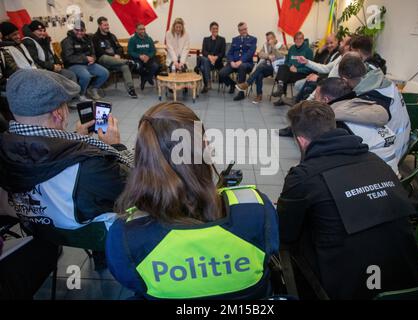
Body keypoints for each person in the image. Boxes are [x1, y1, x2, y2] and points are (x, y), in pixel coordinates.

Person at [106, 102, 279, 300]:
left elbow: (130, 280)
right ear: (204, 148)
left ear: (143, 156)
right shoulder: (258, 210)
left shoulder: (125, 235)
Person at [277, 100, 418, 300]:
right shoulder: (377, 162)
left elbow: (285, 234)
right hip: (409, 283)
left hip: (347, 290)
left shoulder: (303, 176)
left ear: (301, 141)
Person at [0, 69, 131, 251]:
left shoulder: (3, 150)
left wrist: (72, 138)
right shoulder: (90, 163)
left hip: (39, 230)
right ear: (58, 114)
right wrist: (116, 146)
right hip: (92, 234)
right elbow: (135, 188)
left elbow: (39, 154)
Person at [315, 77, 399, 174]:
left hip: (373, 182)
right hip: (395, 178)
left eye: (315, 97)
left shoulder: (338, 124)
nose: (314, 101)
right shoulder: (365, 107)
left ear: (325, 100)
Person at [338, 53, 410, 162]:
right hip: (403, 142)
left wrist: (332, 113)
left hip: (393, 152)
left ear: (344, 79)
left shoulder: (373, 96)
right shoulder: (381, 80)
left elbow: (380, 117)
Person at [61, 20, 109, 101]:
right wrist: (85, 58)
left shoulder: (88, 38)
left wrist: (93, 58)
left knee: (105, 73)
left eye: (82, 30)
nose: (79, 32)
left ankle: (92, 89)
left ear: (85, 30)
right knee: (85, 76)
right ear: (73, 30)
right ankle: (81, 94)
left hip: (88, 64)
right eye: (77, 30)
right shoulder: (67, 41)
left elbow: (93, 52)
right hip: (73, 65)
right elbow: (68, 58)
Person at [235, 31, 287, 104]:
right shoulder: (265, 45)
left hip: (277, 68)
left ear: (275, 38)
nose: (269, 41)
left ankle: (247, 84)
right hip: (267, 67)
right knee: (260, 73)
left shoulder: (281, 45)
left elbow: (280, 56)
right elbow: (260, 54)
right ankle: (259, 95)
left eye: (270, 39)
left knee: (261, 67)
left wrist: (273, 47)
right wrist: (268, 56)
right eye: (267, 39)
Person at [92, 17, 138, 99]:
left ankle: (131, 89)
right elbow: (98, 52)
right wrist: (113, 56)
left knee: (125, 67)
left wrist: (117, 54)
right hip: (103, 61)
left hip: (116, 61)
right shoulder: (95, 37)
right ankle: (127, 61)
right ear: (99, 26)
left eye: (107, 24)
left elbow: (119, 48)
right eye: (104, 25)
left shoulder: (112, 36)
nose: (107, 27)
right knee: (105, 57)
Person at [219, 22, 257, 101]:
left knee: (242, 67)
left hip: (246, 64)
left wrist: (241, 61)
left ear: (247, 28)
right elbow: (230, 53)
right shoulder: (235, 39)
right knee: (222, 73)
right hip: (234, 63)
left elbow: (250, 53)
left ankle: (241, 93)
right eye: (241, 30)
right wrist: (232, 61)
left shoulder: (253, 39)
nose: (244, 31)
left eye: (245, 29)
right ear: (238, 31)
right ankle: (232, 84)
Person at [272, 31, 313, 100]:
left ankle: (281, 93)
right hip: (290, 71)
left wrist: (297, 70)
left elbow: (310, 67)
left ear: (303, 39)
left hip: (301, 74)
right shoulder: (291, 48)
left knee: (283, 75)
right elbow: (286, 61)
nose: (298, 40)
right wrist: (290, 66)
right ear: (294, 40)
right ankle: (281, 90)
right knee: (283, 68)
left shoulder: (308, 50)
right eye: (296, 39)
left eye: (300, 38)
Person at [127, 23, 159, 90]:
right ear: (136, 30)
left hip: (148, 58)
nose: (142, 31)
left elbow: (153, 51)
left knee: (155, 66)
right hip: (137, 59)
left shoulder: (149, 39)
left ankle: (147, 78)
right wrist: (139, 56)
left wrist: (148, 56)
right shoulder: (132, 40)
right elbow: (130, 51)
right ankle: (144, 77)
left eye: (144, 29)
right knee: (138, 66)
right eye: (140, 29)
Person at [197, 21, 226, 94]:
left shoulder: (222, 39)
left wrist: (215, 58)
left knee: (203, 67)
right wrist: (210, 57)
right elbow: (203, 51)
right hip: (208, 62)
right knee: (205, 60)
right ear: (210, 29)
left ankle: (206, 85)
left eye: (216, 28)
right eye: (213, 28)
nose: (215, 30)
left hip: (217, 63)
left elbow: (222, 53)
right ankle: (208, 82)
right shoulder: (206, 39)